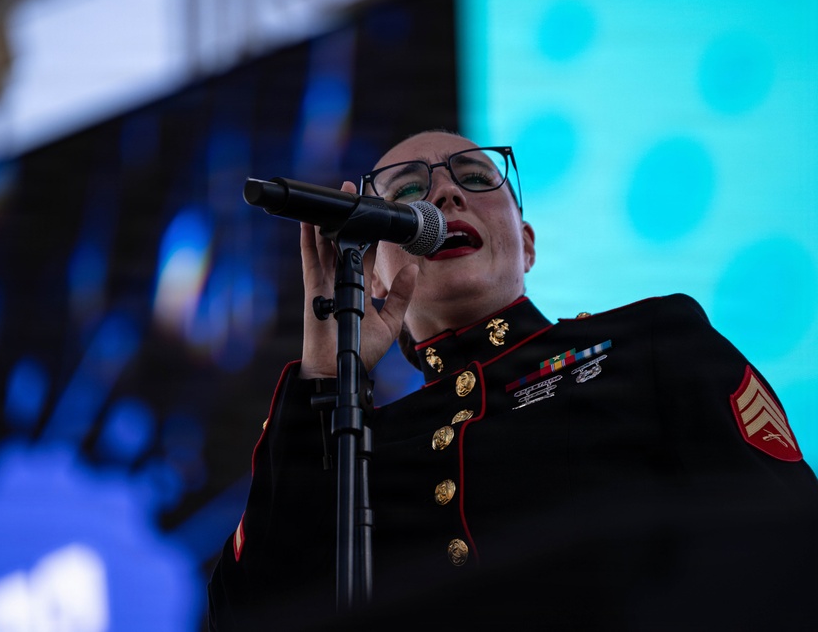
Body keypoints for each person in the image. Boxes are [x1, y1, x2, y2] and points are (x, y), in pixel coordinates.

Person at [207, 130, 818, 630]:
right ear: (375, 272)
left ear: (526, 244)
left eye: (475, 178)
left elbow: (788, 542)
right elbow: (251, 615)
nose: (445, 193)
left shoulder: (651, 341)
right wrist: (324, 375)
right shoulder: (356, 446)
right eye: (409, 191)